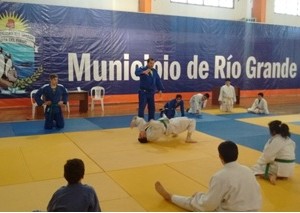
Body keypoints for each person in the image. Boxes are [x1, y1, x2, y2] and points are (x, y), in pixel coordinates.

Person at [154, 141, 262, 212]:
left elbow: (208, 206)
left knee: (195, 203)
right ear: (237, 154)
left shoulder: (220, 176)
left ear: (220, 156)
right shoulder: (248, 170)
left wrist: (198, 198)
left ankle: (171, 197)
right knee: (207, 198)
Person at [252, 120, 296, 185]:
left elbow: (268, 157)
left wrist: (259, 163)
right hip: (290, 169)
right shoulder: (289, 139)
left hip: (279, 167)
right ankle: (282, 175)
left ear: (273, 131)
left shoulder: (276, 140)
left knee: (253, 169)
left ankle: (269, 175)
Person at [130, 115, 197, 143]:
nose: (139, 133)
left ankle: (175, 133)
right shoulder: (151, 136)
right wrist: (152, 122)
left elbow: (141, 121)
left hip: (169, 123)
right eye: (140, 135)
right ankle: (188, 138)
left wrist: (135, 120)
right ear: (144, 137)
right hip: (171, 126)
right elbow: (160, 127)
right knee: (191, 121)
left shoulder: (144, 132)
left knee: (186, 120)